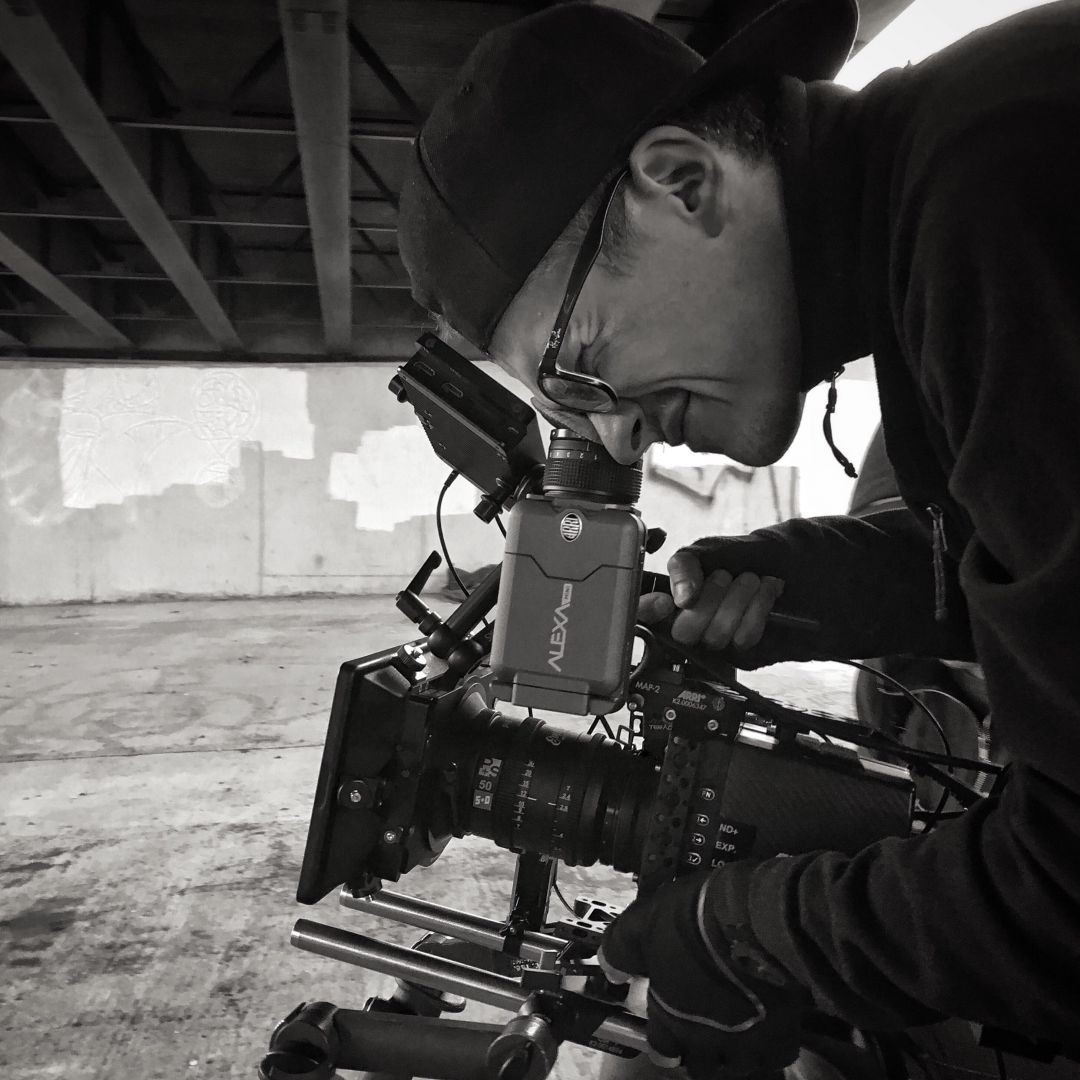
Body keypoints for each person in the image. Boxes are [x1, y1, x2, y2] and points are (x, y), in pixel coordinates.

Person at [397, 0, 1080, 1075]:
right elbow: (1018, 554)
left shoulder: (999, 191)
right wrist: (827, 587)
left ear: (683, 182)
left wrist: (747, 929)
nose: (620, 435)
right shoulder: (949, 185)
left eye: (580, 368)